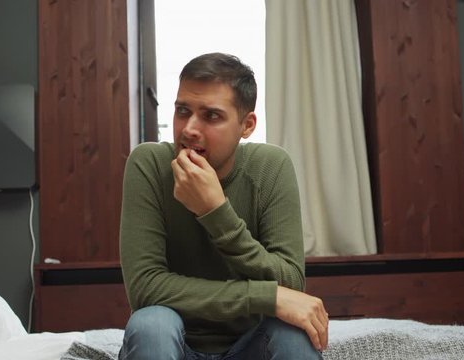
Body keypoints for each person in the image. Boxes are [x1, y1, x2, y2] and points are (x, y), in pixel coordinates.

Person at [118, 52, 328, 359]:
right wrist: (264, 297)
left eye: (211, 115)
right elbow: (146, 288)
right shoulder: (149, 164)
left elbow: (291, 283)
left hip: (251, 345)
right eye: (182, 111)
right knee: (152, 323)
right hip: (175, 344)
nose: (189, 128)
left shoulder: (271, 167)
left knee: (293, 331)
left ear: (247, 125)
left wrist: (215, 212)